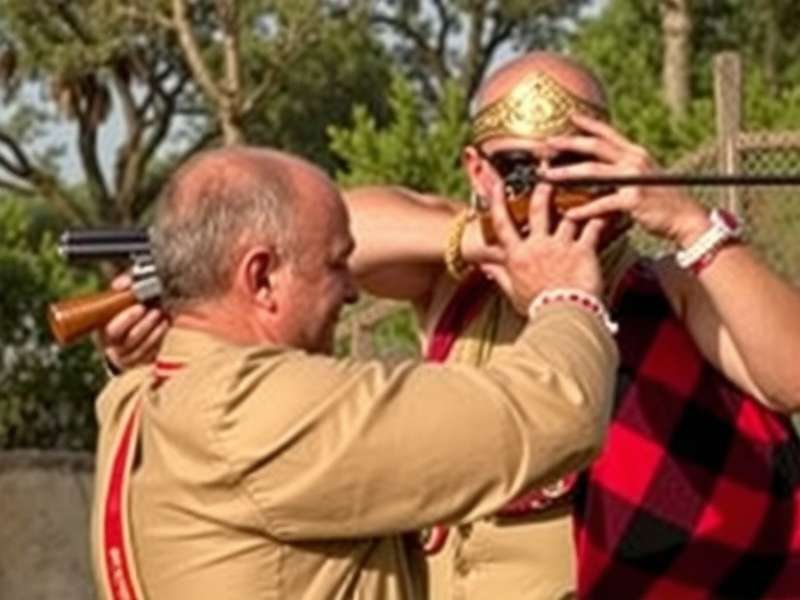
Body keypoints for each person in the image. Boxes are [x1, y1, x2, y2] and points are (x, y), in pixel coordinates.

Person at [103, 53, 800, 598]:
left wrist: (686, 221)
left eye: (575, 162)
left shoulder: (669, 286)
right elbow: (322, 236)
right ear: (475, 168)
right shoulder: (454, 283)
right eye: (519, 166)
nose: (547, 188)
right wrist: (489, 238)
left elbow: (791, 374)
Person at [91, 145, 619, 600]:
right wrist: (564, 295)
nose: (351, 290)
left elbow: (135, 380)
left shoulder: (137, 405)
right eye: (335, 264)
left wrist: (128, 358)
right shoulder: (256, 409)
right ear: (262, 277)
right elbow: (550, 412)